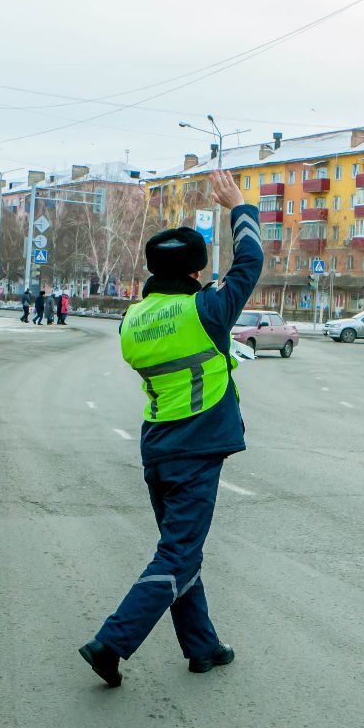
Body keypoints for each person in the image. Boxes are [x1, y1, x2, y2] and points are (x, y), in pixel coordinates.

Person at [80, 169, 261, 688]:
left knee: (182, 551)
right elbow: (250, 262)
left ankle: (202, 646)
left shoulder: (132, 320)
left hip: (157, 447)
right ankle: (111, 642)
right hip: (197, 449)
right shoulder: (206, 310)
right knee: (178, 554)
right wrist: (238, 207)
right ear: (194, 272)